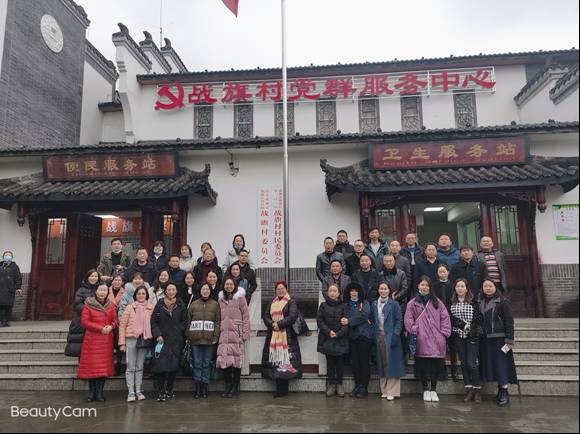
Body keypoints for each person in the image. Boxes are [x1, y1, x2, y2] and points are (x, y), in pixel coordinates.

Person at [405, 276, 451, 403]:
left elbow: (445, 318)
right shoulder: (412, 303)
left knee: (436, 365)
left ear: (430, 287)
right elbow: (408, 319)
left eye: (427, 285)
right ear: (418, 286)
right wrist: (415, 330)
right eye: (422, 285)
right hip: (421, 338)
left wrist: (443, 334)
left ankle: (434, 389)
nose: (424, 287)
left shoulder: (437, 302)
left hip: (437, 339)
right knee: (423, 365)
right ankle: (425, 388)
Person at [479, 279, 518, 406]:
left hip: (500, 339)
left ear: (495, 287)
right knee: (493, 366)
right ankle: (500, 390)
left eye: (490, 286)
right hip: (486, 339)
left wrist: (509, 339)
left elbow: (509, 321)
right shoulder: (480, 301)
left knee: (502, 365)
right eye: (485, 286)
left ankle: (504, 391)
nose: (487, 288)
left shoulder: (503, 302)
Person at [262, 281, 303, 398]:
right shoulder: (272, 302)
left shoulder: (291, 302)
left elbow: (292, 316)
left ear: (286, 289)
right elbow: (266, 316)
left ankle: (284, 390)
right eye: (278, 289)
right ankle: (278, 389)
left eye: (282, 288)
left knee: (285, 363)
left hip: (287, 337)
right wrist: (272, 324)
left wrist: (279, 324)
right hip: (273, 336)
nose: (280, 291)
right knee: (276, 363)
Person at [77, 283, 117, 403]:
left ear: (107, 292)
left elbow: (115, 320)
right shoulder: (88, 305)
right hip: (92, 340)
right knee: (92, 367)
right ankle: (91, 393)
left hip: (106, 340)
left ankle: (99, 393)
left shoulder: (111, 306)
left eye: (105, 290)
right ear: (96, 291)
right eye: (100, 290)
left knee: (103, 368)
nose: (102, 292)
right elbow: (84, 321)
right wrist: (100, 328)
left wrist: (111, 326)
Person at [151, 283, 188, 402]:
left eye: (173, 289)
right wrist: (158, 335)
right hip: (161, 340)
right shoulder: (160, 304)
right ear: (165, 291)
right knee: (160, 366)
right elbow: (154, 322)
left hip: (176, 340)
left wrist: (178, 331)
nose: (171, 291)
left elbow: (184, 322)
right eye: (169, 289)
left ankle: (169, 389)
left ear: (176, 291)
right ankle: (161, 391)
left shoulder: (181, 305)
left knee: (173, 366)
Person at [370, 282, 405, 401]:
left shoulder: (394, 304)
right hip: (379, 336)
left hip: (391, 336)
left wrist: (395, 334)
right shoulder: (374, 304)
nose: (383, 291)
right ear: (378, 290)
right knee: (382, 363)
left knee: (392, 363)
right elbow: (372, 320)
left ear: (389, 291)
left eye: (385, 289)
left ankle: (392, 391)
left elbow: (399, 321)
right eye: (381, 288)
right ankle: (384, 390)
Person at [450, 278, 483, 404]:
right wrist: (462, 325)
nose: (460, 289)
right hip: (458, 336)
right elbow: (450, 318)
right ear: (455, 288)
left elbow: (478, 318)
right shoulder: (451, 302)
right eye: (458, 286)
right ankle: (469, 390)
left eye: (462, 286)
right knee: (463, 364)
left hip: (472, 336)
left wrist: (471, 328)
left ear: (467, 289)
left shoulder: (474, 302)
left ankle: (477, 390)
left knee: (471, 363)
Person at [118, 285, 154, 402]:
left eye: (143, 293)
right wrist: (122, 343)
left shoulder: (151, 308)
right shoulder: (130, 307)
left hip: (144, 339)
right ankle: (131, 392)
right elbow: (122, 326)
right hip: (131, 339)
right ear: (135, 295)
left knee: (140, 366)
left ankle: (138, 390)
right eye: (139, 294)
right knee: (130, 366)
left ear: (147, 295)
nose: (141, 295)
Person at [217, 278, 250, 398]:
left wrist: (245, 333)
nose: (229, 286)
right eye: (227, 284)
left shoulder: (240, 298)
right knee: (224, 360)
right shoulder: (221, 299)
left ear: (235, 285)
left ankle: (235, 386)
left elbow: (246, 316)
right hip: (224, 334)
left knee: (236, 361)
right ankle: (227, 385)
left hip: (236, 333)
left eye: (231, 284)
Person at [187, 283, 221, 399]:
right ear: (200, 290)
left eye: (207, 289)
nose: (205, 291)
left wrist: (216, 336)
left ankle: (205, 387)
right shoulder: (193, 304)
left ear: (210, 291)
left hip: (209, 340)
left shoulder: (215, 304)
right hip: (195, 340)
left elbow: (217, 322)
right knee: (197, 364)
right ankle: (198, 388)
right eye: (203, 289)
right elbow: (188, 321)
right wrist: (188, 336)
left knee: (206, 364)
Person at [316, 284, 349, 398]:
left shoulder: (344, 306)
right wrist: (328, 332)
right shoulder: (323, 306)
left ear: (339, 293)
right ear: (327, 293)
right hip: (327, 338)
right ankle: (331, 384)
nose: (332, 293)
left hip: (340, 338)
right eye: (330, 291)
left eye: (335, 291)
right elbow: (320, 320)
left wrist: (338, 333)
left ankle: (339, 384)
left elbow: (346, 322)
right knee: (330, 362)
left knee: (340, 363)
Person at [344, 282, 372, 398]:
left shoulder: (365, 303)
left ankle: (364, 387)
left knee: (364, 362)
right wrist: (351, 320)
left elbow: (364, 316)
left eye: (356, 291)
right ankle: (357, 385)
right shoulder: (346, 305)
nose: (354, 293)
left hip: (364, 336)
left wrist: (350, 321)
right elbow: (345, 317)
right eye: (352, 291)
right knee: (355, 363)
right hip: (352, 337)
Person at [65, 269, 101, 357]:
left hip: (97, 320)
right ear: (87, 277)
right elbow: (77, 305)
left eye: (96, 276)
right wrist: (89, 310)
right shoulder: (81, 290)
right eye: (91, 276)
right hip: (82, 320)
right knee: (81, 344)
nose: (93, 278)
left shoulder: (100, 289)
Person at [433, 264, 457, 380]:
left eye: (444, 271)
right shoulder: (434, 286)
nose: (442, 273)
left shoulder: (453, 286)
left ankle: (454, 370)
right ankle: (442, 371)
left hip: (452, 318)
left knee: (453, 346)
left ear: (448, 272)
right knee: (440, 345)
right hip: (438, 319)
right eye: (440, 272)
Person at [107, 274, 125, 375]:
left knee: (119, 342)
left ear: (122, 282)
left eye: (119, 280)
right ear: (112, 281)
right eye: (115, 280)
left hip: (120, 320)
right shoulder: (106, 290)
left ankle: (118, 364)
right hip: (108, 319)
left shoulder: (125, 292)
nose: (117, 282)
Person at [0, 251, 22, 327]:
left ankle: (6, 321)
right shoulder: (0, 265)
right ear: (3, 257)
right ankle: (1, 321)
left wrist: (18, 287)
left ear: (12, 257)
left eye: (9, 255)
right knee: (0, 306)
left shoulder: (14, 267)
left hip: (9, 289)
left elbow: (18, 277)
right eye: (6, 255)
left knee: (8, 306)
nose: (7, 256)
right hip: (0, 289)